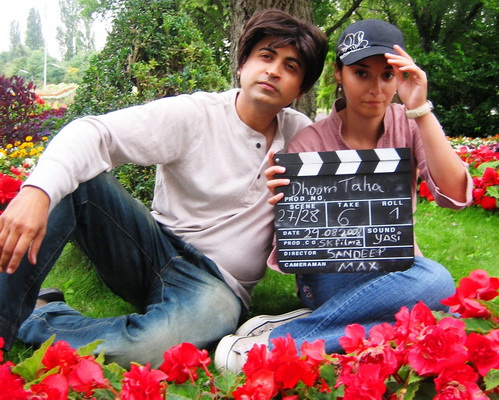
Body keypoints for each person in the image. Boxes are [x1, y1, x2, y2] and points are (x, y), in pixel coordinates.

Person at [0, 9, 328, 368]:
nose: (274, 70)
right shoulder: (195, 115)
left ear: (301, 88)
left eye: (290, 66)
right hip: (152, 249)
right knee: (74, 180)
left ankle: (41, 316)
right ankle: (2, 318)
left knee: (148, 350)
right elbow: (94, 133)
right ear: (242, 64)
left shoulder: (303, 136)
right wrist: (37, 191)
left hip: (217, 287)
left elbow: (346, 181)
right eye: (266, 56)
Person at [215, 19, 473, 372]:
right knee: (438, 288)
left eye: (387, 75)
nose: (375, 89)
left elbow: (455, 196)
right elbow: (296, 252)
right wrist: (291, 208)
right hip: (330, 272)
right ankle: (292, 337)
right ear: (339, 73)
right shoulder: (310, 141)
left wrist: (420, 110)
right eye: (361, 73)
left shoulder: (410, 123)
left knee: (439, 303)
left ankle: (285, 336)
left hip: (395, 265)